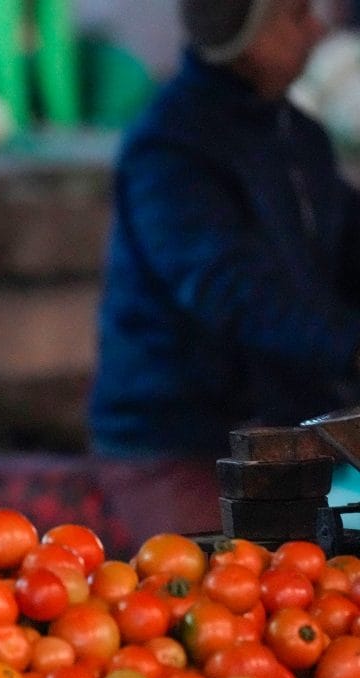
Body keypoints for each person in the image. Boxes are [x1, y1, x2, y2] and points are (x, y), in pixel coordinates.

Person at [87, 0, 360, 552]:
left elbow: (348, 246)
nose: (314, 27)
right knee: (232, 591)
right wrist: (352, 347)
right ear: (238, 29)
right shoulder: (169, 146)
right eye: (294, 13)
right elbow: (231, 290)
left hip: (287, 437)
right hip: (182, 446)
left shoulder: (298, 135)